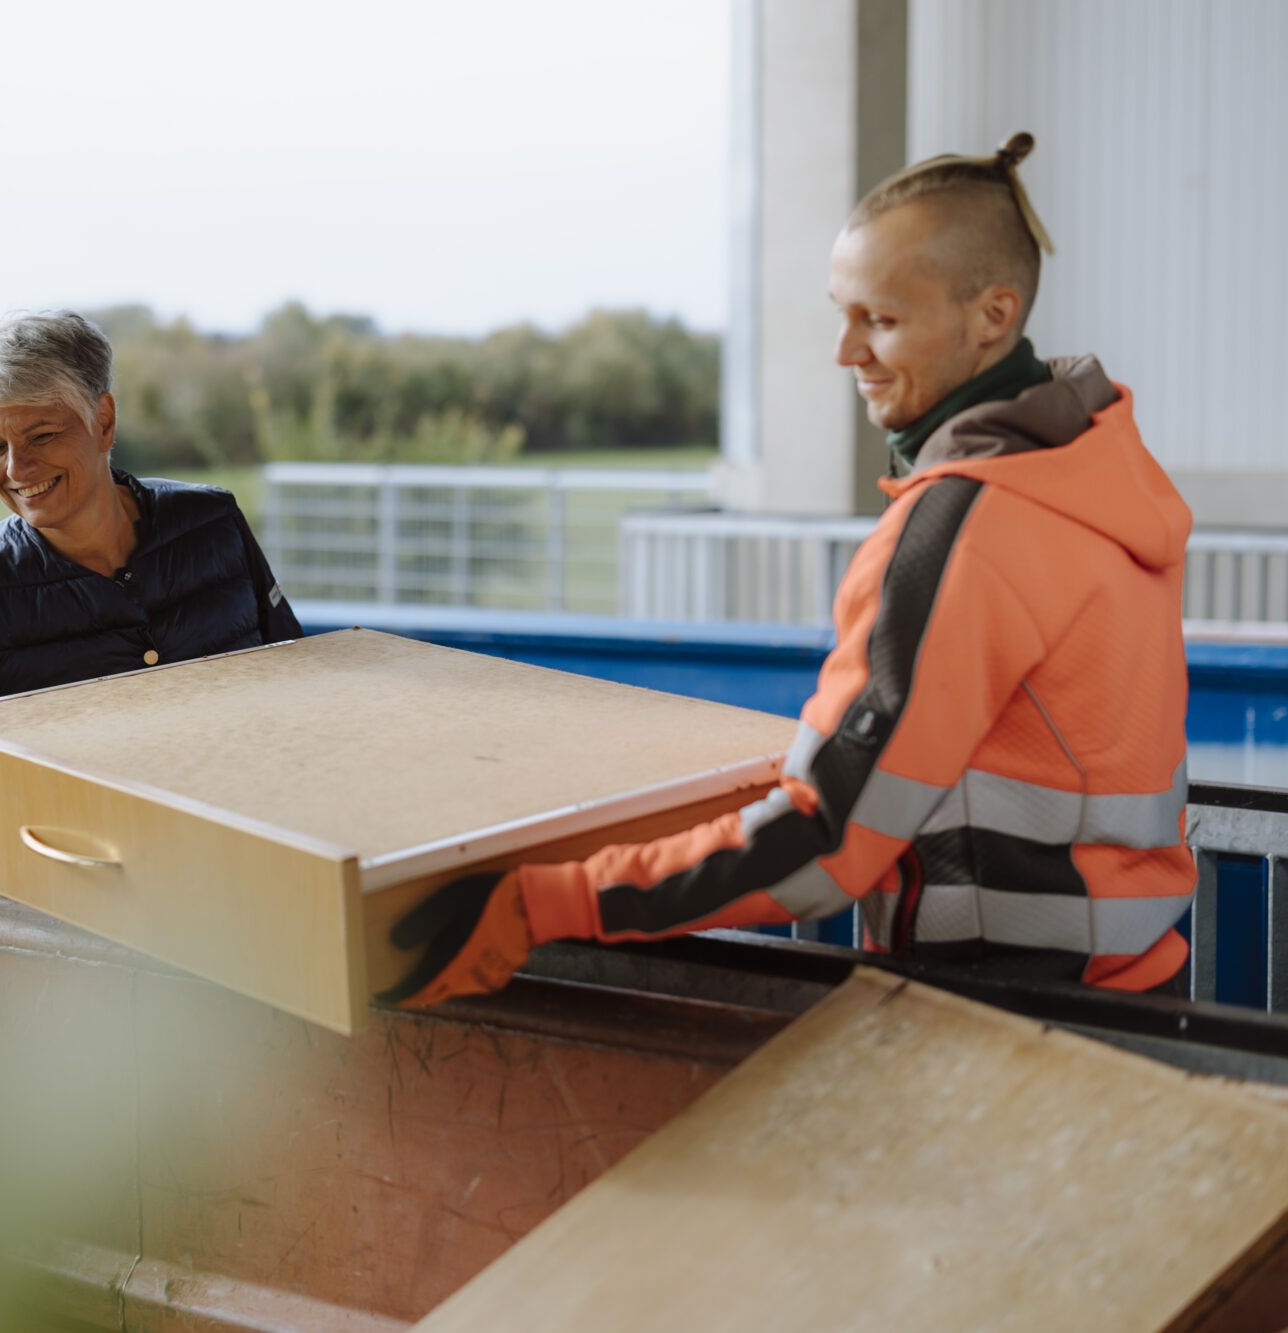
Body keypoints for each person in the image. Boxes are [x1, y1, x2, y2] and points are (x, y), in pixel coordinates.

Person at [385, 132, 1196, 1007]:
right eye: (843, 312)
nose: (846, 352)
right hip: (1138, 994)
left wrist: (542, 902)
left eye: (881, 320)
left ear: (993, 316)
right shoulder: (1090, 464)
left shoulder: (965, 529)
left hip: (1018, 1021)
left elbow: (824, 841)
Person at [0, 310, 302, 822]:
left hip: (257, 828)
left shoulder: (211, 522)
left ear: (102, 422)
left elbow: (298, 670)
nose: (18, 469)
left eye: (41, 437)